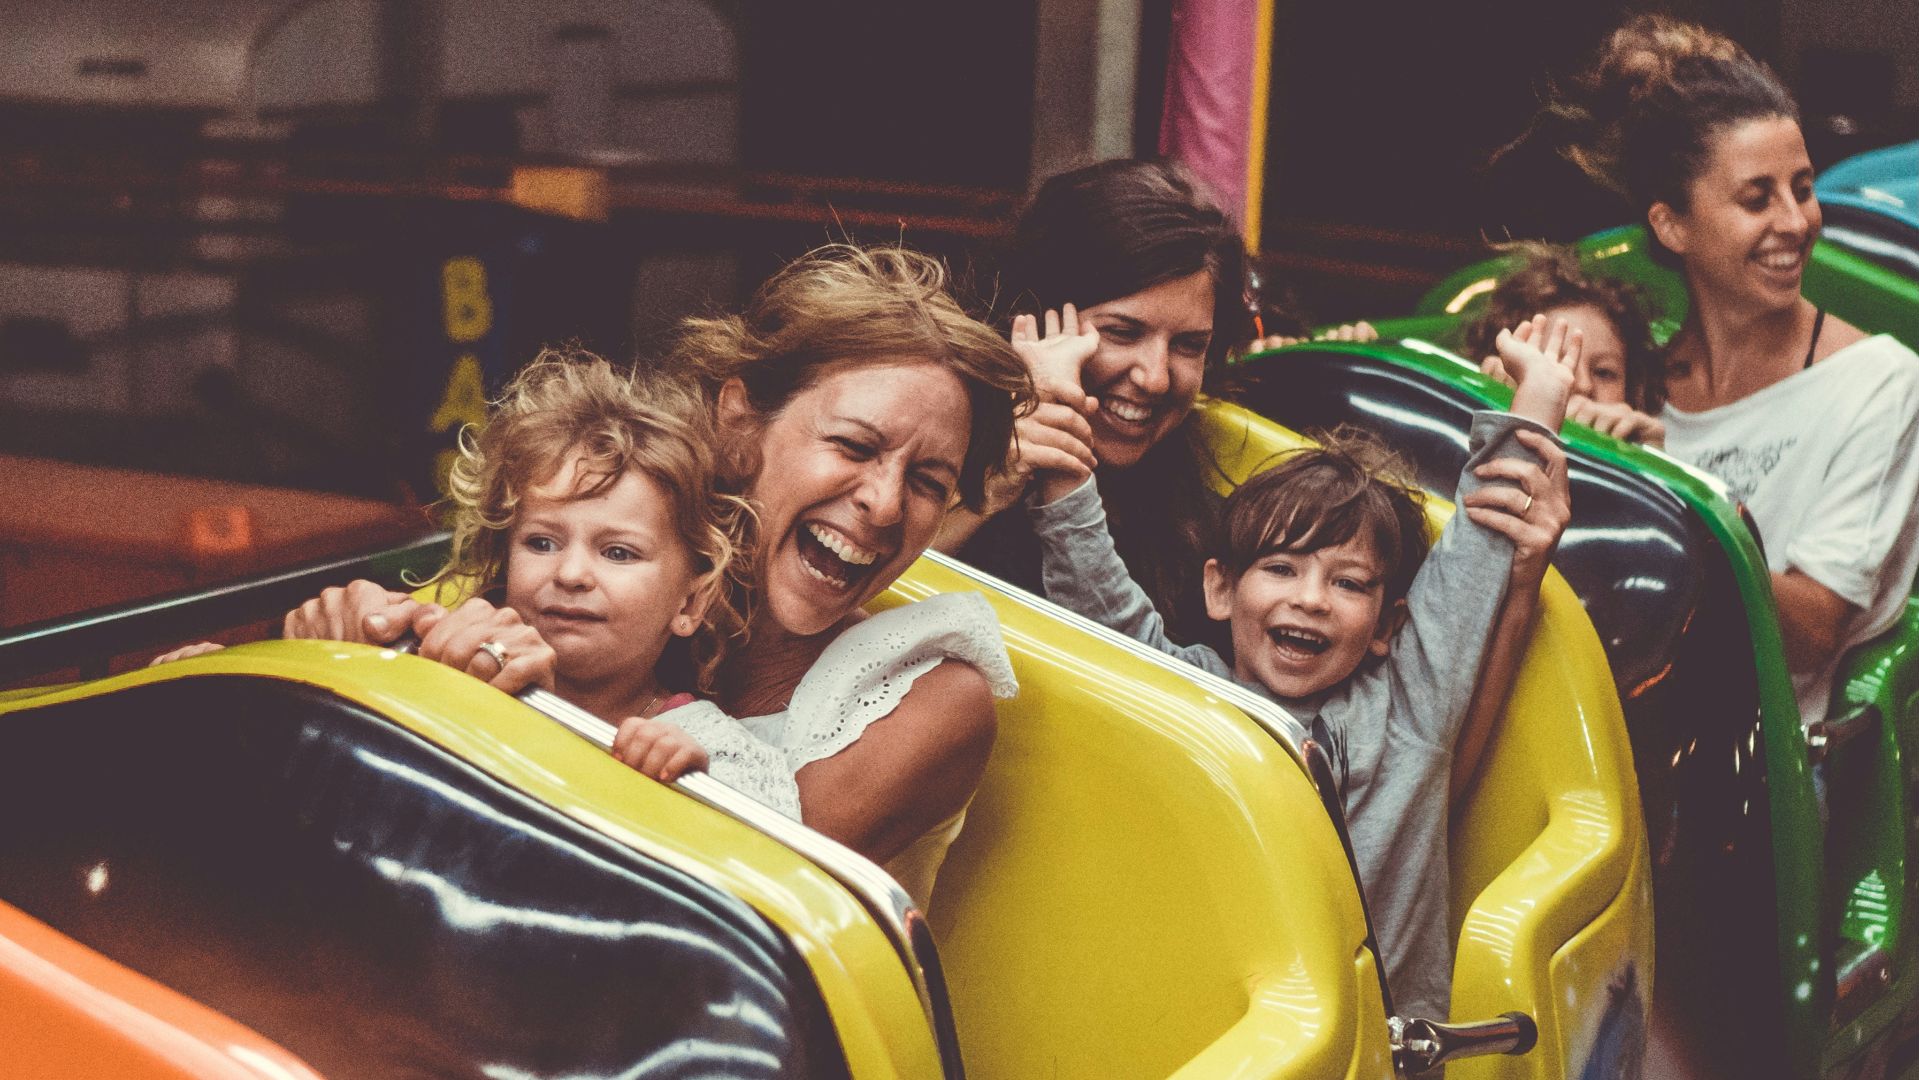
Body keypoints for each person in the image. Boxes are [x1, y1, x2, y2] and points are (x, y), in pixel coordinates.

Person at [260, 246, 1034, 910]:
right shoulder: (603, 587)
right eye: (855, 446)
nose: (885, 501)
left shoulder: (929, 698)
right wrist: (347, 650)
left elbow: (703, 903)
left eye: (930, 482)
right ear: (739, 421)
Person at [1019, 311, 1580, 1024]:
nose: (1311, 599)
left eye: (1348, 583)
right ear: (1220, 589)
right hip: (1235, 1035)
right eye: (1281, 568)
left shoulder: (1408, 709)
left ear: (1386, 629)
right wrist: (1057, 417)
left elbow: (1478, 552)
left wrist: (1539, 400)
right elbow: (1092, 585)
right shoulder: (1188, 692)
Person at [1534, 20, 1919, 730]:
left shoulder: (1882, 385)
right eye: (1756, 198)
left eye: (1802, 189)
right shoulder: (1631, 373)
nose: (1797, 221)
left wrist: (1654, 492)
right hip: (1590, 716)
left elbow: (1809, 633)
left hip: (1752, 767)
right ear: (1672, 225)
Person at [155, 350, 755, 785]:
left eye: (617, 552)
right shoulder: (439, 669)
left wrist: (692, 790)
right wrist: (227, 686)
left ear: (689, 604)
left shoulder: (715, 749)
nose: (571, 573)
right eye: (541, 543)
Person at [935, 158, 1253, 651]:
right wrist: (989, 491)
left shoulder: (1208, 513)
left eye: (1189, 345)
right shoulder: (926, 437)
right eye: (1122, 333)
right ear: (1034, 320)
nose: (1155, 377)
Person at [1464, 243, 1667, 445]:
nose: (1584, 385)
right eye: (1557, 364)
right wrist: (1496, 403)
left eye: (1604, 373)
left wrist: (1650, 460)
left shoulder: (1644, 443)